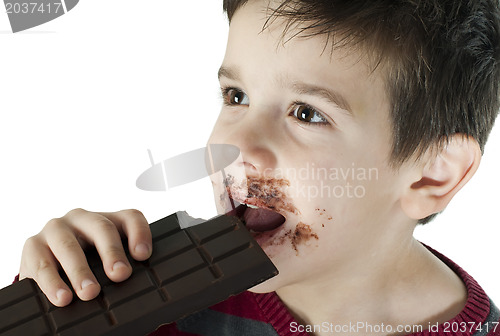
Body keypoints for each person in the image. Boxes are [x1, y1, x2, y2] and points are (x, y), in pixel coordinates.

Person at [17, 0, 500, 335]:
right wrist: (56, 301)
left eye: (307, 113)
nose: (235, 143)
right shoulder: (153, 316)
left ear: (431, 174)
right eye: (236, 96)